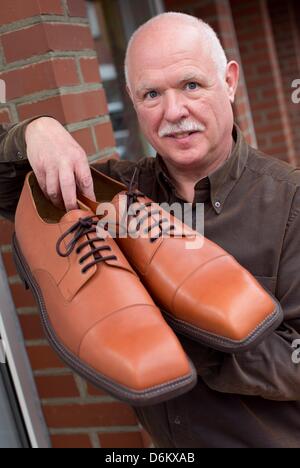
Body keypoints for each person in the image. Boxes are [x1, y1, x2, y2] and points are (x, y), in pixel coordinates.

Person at [0, 12, 300, 448]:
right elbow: (9, 191)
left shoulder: (291, 202)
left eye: (191, 85)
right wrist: (35, 132)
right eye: (152, 94)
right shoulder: (109, 193)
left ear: (230, 81)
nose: (174, 111)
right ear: (132, 100)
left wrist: (165, 327)